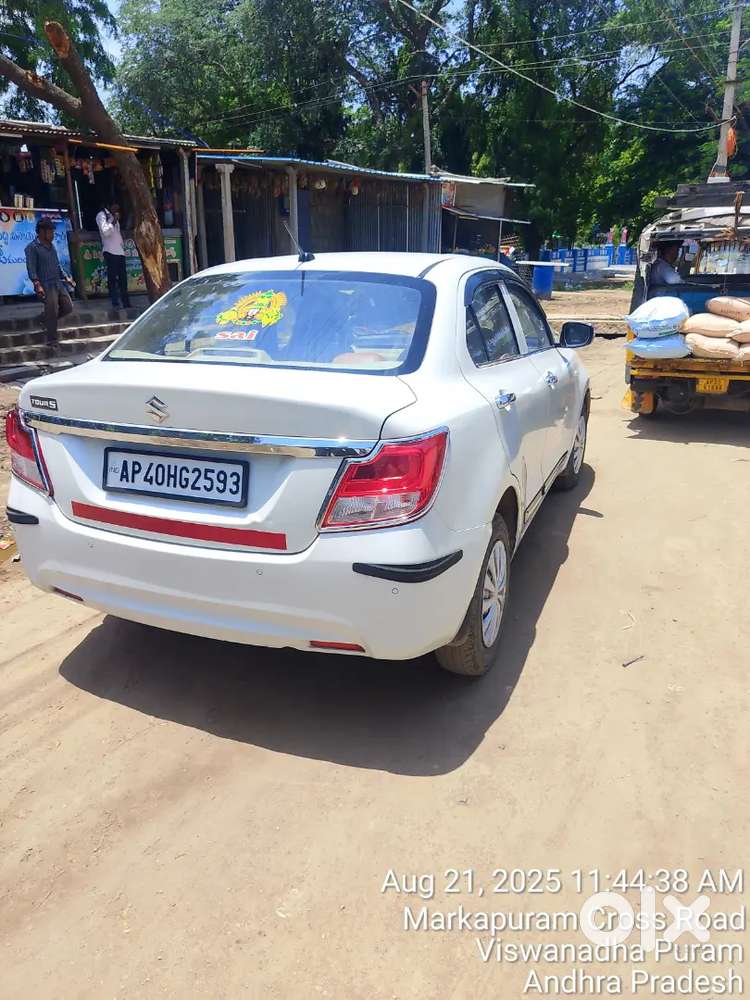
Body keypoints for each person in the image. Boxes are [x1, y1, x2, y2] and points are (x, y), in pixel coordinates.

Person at [25, 217, 75, 350]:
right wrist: (37, 285)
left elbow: (57, 265)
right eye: (50, 232)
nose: (52, 235)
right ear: (41, 232)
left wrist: (66, 277)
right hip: (45, 284)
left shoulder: (51, 246)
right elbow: (31, 267)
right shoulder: (32, 248)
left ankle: (44, 318)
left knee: (68, 307)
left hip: (58, 283)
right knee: (52, 312)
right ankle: (52, 340)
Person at [96, 201, 130, 309]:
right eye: (115, 206)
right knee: (112, 279)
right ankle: (115, 303)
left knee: (123, 279)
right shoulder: (101, 216)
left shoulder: (112, 216)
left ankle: (126, 302)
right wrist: (114, 221)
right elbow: (105, 232)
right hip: (110, 251)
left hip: (120, 251)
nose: (117, 208)